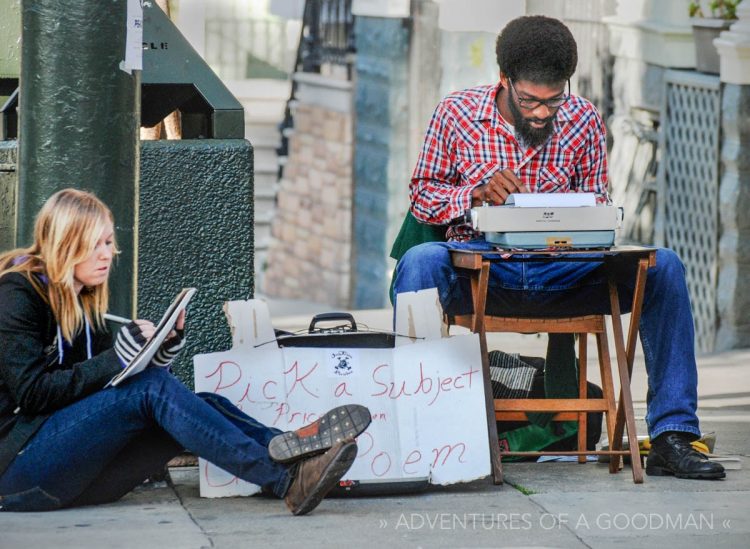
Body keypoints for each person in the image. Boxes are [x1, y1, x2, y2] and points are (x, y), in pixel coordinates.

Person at [393, 15, 724, 480]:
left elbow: (600, 201)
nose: (543, 113)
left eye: (554, 100)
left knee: (664, 266)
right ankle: (414, 432)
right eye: (530, 100)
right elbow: (423, 196)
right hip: (485, 273)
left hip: (567, 273)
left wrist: (576, 215)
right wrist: (474, 194)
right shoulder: (457, 113)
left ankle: (672, 434)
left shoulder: (583, 118)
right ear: (504, 81)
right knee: (419, 262)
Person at [0, 188, 373, 514]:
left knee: (199, 405)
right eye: (96, 244)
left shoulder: (82, 300)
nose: (108, 254)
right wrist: (117, 357)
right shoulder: (19, 294)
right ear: (66, 245)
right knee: (152, 390)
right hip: (20, 472)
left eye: (109, 242)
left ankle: (294, 454)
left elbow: (105, 392)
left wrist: (157, 354)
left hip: (72, 474)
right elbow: (33, 394)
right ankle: (286, 478)